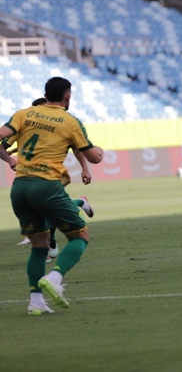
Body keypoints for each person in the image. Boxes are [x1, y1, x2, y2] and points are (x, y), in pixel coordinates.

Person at [0, 77, 104, 316]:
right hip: (46, 185)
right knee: (80, 236)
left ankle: (35, 302)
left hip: (19, 187)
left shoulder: (24, 114)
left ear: (45, 94)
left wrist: (10, 159)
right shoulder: (70, 121)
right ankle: (55, 277)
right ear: (67, 96)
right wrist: (99, 151)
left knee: (39, 245)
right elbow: (95, 157)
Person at [2, 98, 95, 257]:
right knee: (45, 207)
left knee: (46, 207)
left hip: (51, 174)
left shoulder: (60, 123)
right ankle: (79, 204)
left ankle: (49, 245)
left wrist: (85, 169)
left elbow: (76, 147)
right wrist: (10, 158)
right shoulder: (26, 122)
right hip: (28, 175)